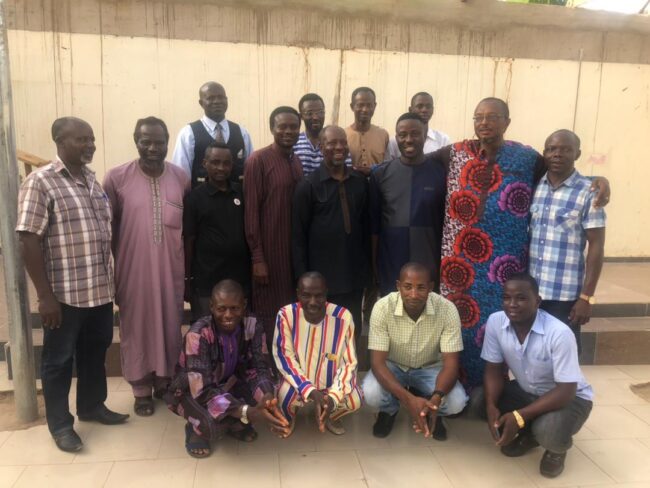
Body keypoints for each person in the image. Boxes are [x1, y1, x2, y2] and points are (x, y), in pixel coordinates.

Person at [430, 97, 610, 389]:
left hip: (505, 266)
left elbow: (560, 171)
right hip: (458, 265)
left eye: (492, 117)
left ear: (507, 122)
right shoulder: (455, 152)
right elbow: (413, 162)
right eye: (478, 117)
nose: (484, 123)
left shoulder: (526, 158)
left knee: (499, 326)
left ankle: (494, 390)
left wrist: (596, 179)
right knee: (459, 326)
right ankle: (457, 388)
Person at [16, 117, 128, 453]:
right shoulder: (41, 182)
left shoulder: (92, 180)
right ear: (59, 140)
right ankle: (61, 425)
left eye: (91, 139)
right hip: (63, 296)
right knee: (59, 361)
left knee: (94, 353)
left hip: (98, 292)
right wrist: (44, 296)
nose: (90, 145)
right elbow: (28, 239)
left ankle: (92, 406)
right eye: (81, 139)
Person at [103, 117, 189, 416]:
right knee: (136, 328)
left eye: (159, 142)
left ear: (167, 143)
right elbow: (108, 228)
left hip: (170, 270)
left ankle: (164, 382)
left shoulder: (181, 178)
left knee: (169, 325)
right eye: (146, 141)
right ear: (135, 141)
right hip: (133, 269)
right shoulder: (117, 178)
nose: (153, 147)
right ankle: (140, 389)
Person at [480, 274, 593, 478]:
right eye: (507, 298)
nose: (512, 304)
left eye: (521, 298)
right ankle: (530, 433)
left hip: (569, 398)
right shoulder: (496, 321)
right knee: (479, 400)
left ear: (538, 301)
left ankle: (556, 449)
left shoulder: (559, 333)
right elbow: (493, 369)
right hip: (527, 390)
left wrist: (519, 416)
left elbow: (566, 391)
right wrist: (491, 406)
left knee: (549, 430)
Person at [166, 280, 290, 458]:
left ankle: (235, 422)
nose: (228, 315)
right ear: (211, 307)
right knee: (213, 426)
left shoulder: (253, 325)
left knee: (267, 394)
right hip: (191, 391)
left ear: (244, 305)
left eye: (235, 308)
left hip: (229, 382)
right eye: (221, 309)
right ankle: (195, 429)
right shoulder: (198, 334)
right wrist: (245, 411)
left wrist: (267, 397)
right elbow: (202, 391)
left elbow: (260, 366)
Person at [362, 262, 468, 441]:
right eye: (408, 287)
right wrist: (408, 400)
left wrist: (436, 398)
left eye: (421, 288)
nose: (413, 294)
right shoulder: (382, 307)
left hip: (430, 367)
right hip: (393, 366)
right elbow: (377, 363)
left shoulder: (447, 309)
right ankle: (389, 411)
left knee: (456, 402)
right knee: (371, 392)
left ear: (431, 287)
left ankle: (432, 411)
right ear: (398, 286)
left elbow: (451, 365)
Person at [529, 130, 606, 351]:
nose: (557, 154)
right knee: (531, 354)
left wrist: (586, 297)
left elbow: (597, 246)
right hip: (531, 293)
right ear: (544, 153)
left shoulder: (589, 193)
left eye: (565, 149)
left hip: (565, 297)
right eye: (552, 149)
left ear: (577, 154)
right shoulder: (533, 187)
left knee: (563, 358)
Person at [292, 125, 369, 339]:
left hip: (353, 275)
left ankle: (350, 362)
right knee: (321, 335)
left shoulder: (359, 182)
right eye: (332, 143)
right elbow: (298, 237)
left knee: (351, 329)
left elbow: (366, 228)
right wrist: (302, 277)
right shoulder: (308, 185)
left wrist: (368, 273)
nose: (339, 147)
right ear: (321, 147)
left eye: (342, 142)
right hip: (321, 280)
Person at [273, 272, 362, 436]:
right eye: (306, 295)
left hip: (330, 385)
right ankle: (289, 416)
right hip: (299, 384)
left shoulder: (343, 317)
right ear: (298, 294)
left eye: (319, 296)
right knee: (284, 396)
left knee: (355, 399)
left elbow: (348, 363)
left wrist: (333, 398)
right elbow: (285, 359)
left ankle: (329, 415)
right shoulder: (286, 315)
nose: (313, 302)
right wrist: (310, 391)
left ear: (326, 294)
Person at [244, 106, 303, 350]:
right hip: (269, 253)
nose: (288, 131)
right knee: (269, 313)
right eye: (283, 127)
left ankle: (289, 363)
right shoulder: (258, 160)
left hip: (293, 254)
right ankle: (267, 365)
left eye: (293, 127)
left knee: (291, 311)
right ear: (272, 129)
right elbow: (251, 212)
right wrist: (258, 257)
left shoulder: (295, 161)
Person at [369, 113, 447, 297]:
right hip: (391, 258)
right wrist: (374, 266)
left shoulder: (441, 173)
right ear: (396, 138)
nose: (409, 140)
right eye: (402, 135)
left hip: (429, 257)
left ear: (424, 135)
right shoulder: (380, 174)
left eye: (415, 134)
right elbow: (373, 226)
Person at [183, 141, 251, 321]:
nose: (221, 168)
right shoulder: (194, 198)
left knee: (238, 330)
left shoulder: (241, 192)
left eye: (226, 163)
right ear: (204, 163)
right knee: (206, 330)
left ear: (232, 165)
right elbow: (189, 240)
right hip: (207, 281)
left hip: (239, 279)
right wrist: (187, 279)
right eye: (215, 162)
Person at [171, 81, 253, 187]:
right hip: (201, 196)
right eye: (210, 98)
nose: (217, 101)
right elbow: (181, 176)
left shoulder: (242, 132)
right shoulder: (188, 133)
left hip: (236, 196)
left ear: (226, 100)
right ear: (201, 103)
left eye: (221, 97)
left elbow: (251, 171)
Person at [385, 92, 450, 161]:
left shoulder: (443, 140)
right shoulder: (394, 142)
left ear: (433, 110)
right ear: (410, 110)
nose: (424, 110)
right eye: (419, 106)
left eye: (428, 106)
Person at [345, 87, 389, 177]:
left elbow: (387, 166)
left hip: (377, 184)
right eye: (360, 105)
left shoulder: (383, 135)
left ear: (374, 106)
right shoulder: (343, 135)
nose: (365, 109)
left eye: (369, 105)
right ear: (352, 106)